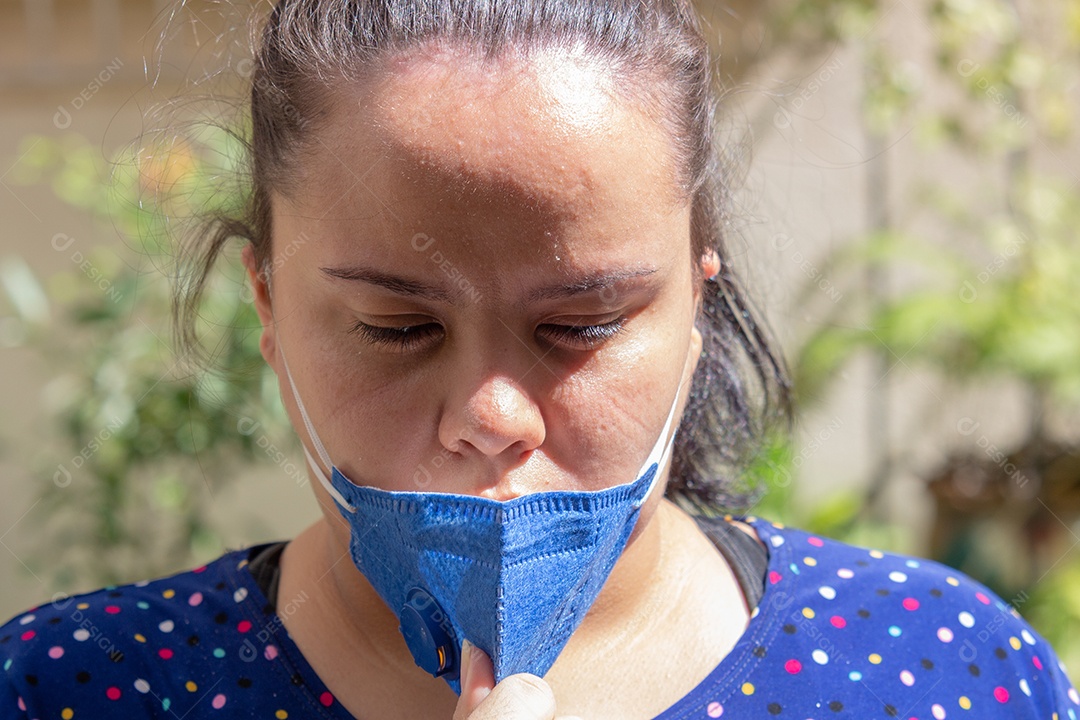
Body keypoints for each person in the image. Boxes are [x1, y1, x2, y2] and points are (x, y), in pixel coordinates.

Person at [3, 0, 1079, 718]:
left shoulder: (948, 672)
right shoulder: (68, 690)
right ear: (271, 305)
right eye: (396, 327)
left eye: (582, 327)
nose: (493, 415)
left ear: (698, 294)